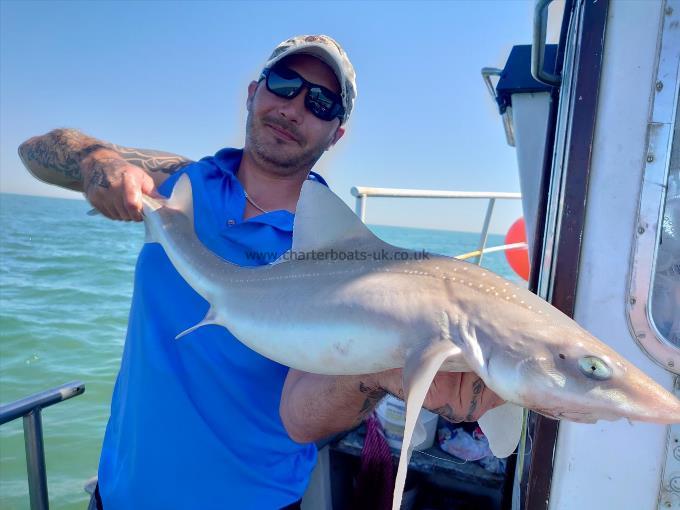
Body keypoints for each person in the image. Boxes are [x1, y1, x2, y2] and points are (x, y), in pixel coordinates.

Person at [19, 35, 504, 510]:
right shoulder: (182, 182)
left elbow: (302, 419)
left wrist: (380, 371)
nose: (294, 108)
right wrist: (94, 161)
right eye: (284, 83)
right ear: (255, 92)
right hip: (121, 493)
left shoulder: (338, 254)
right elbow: (35, 151)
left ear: (336, 133)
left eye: (321, 102)